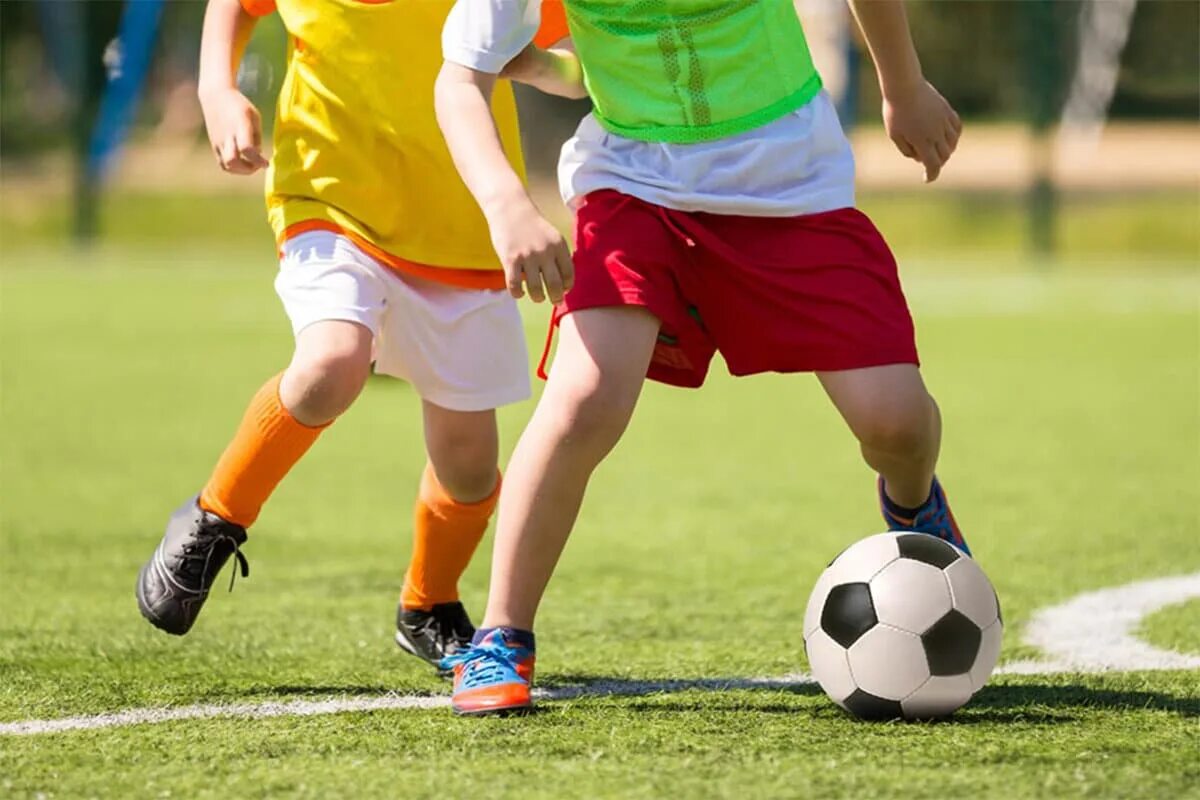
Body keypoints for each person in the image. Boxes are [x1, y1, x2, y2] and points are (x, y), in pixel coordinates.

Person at [434, 0, 967, 714]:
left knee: (895, 422)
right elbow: (460, 79)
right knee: (586, 397)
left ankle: (914, 502)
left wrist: (903, 87)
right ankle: (502, 634)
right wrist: (507, 206)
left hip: (791, 186)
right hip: (633, 185)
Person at [135, 0, 569, 671]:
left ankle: (427, 604)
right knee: (332, 362)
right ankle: (213, 517)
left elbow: (581, 28)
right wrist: (216, 89)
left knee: (469, 462)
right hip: (331, 197)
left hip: (460, 229)